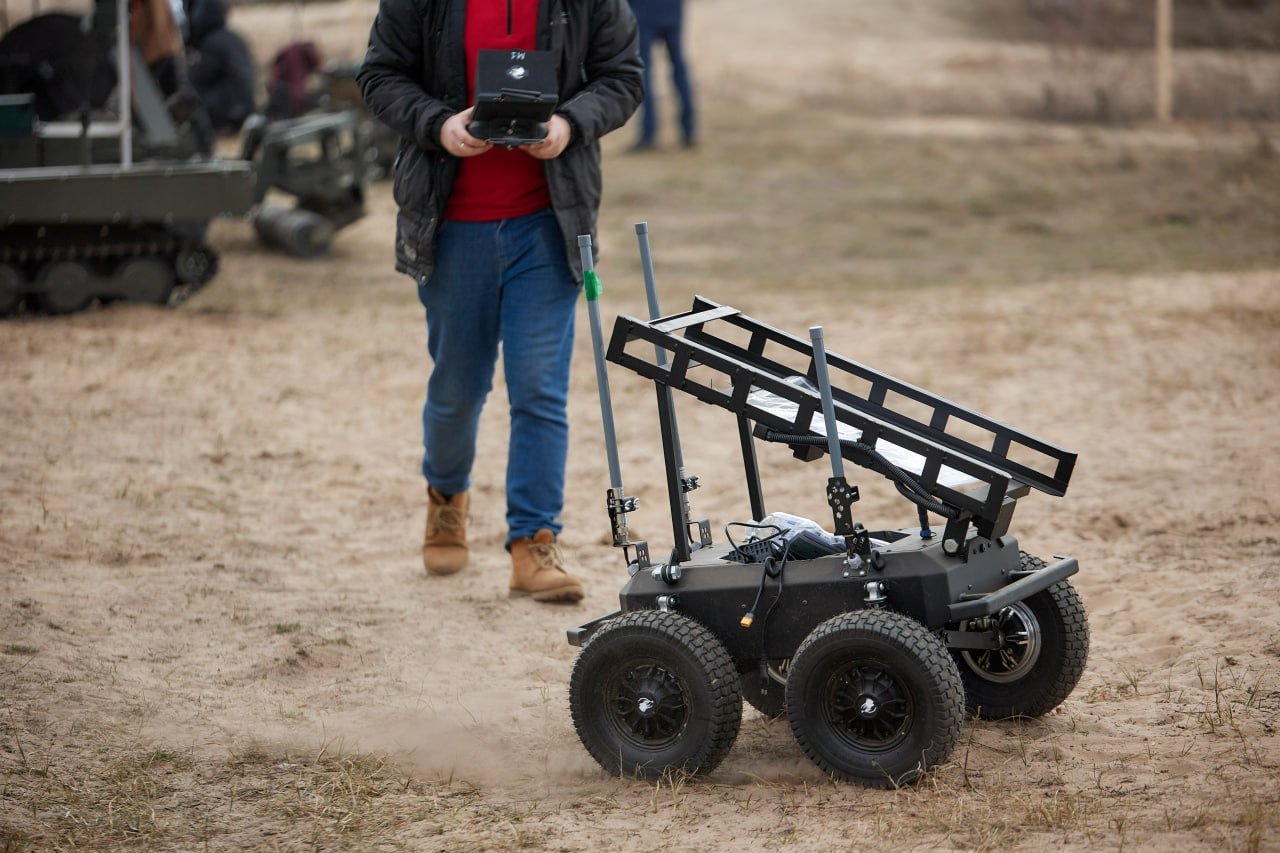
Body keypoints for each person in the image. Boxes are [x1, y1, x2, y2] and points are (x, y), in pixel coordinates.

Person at [357, 0, 643, 603]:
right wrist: (437, 124)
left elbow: (623, 77)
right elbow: (380, 75)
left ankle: (533, 543)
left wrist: (569, 124)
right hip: (451, 224)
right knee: (458, 388)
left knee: (539, 389)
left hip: (549, 224)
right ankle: (445, 500)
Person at [628, 0, 695, 150]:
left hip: (643, 14)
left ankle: (648, 134)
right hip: (672, 13)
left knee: (644, 73)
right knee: (679, 69)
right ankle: (689, 130)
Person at [186, 0, 256, 133]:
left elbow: (196, 82)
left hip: (227, 113)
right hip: (244, 109)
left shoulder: (211, 44)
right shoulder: (233, 38)